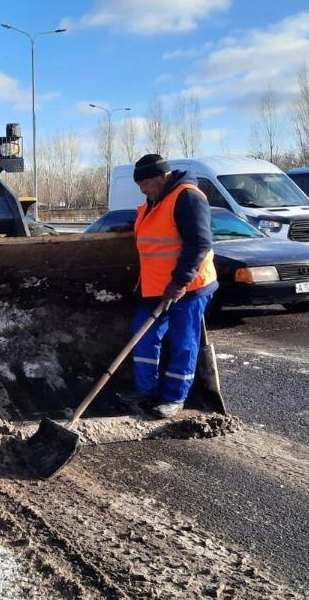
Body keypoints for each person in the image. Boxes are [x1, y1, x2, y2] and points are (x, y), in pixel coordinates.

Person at [117, 154, 218, 418]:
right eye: (139, 185)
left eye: (146, 184)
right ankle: (145, 389)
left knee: (183, 341)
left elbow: (199, 243)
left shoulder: (188, 197)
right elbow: (157, 229)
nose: (142, 189)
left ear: (162, 177)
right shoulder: (156, 199)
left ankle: (175, 397)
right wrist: (126, 229)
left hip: (187, 287)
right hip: (155, 287)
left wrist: (179, 282)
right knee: (143, 334)